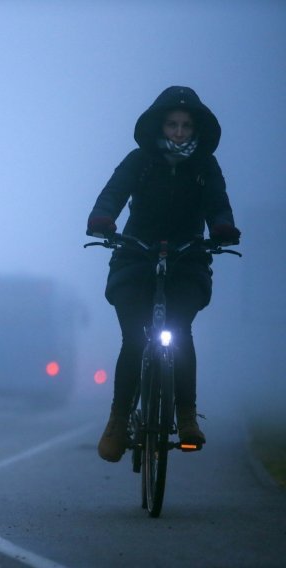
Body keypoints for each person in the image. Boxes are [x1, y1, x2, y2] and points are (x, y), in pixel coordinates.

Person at [86, 86, 240, 463]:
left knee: (180, 331)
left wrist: (222, 227)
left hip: (187, 259)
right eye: (172, 124)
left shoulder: (205, 167)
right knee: (134, 340)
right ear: (160, 125)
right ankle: (118, 421)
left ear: (196, 128)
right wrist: (102, 219)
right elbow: (113, 194)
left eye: (186, 125)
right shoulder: (140, 161)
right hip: (136, 256)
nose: (179, 131)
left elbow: (218, 204)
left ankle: (186, 415)